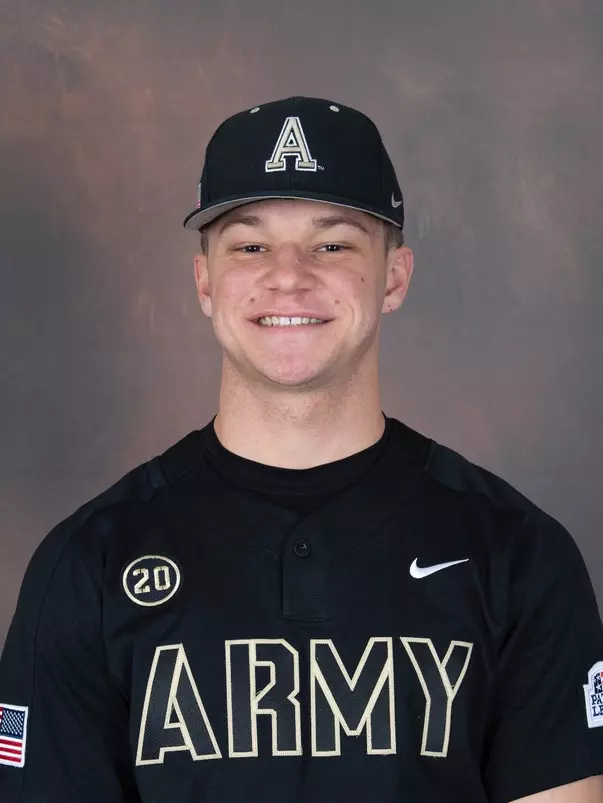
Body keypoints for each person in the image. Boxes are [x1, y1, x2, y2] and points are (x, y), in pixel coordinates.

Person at [0, 96, 602, 803]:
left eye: (333, 243)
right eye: (249, 245)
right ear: (204, 282)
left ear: (394, 276)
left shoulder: (517, 553)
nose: (287, 275)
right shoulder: (88, 563)